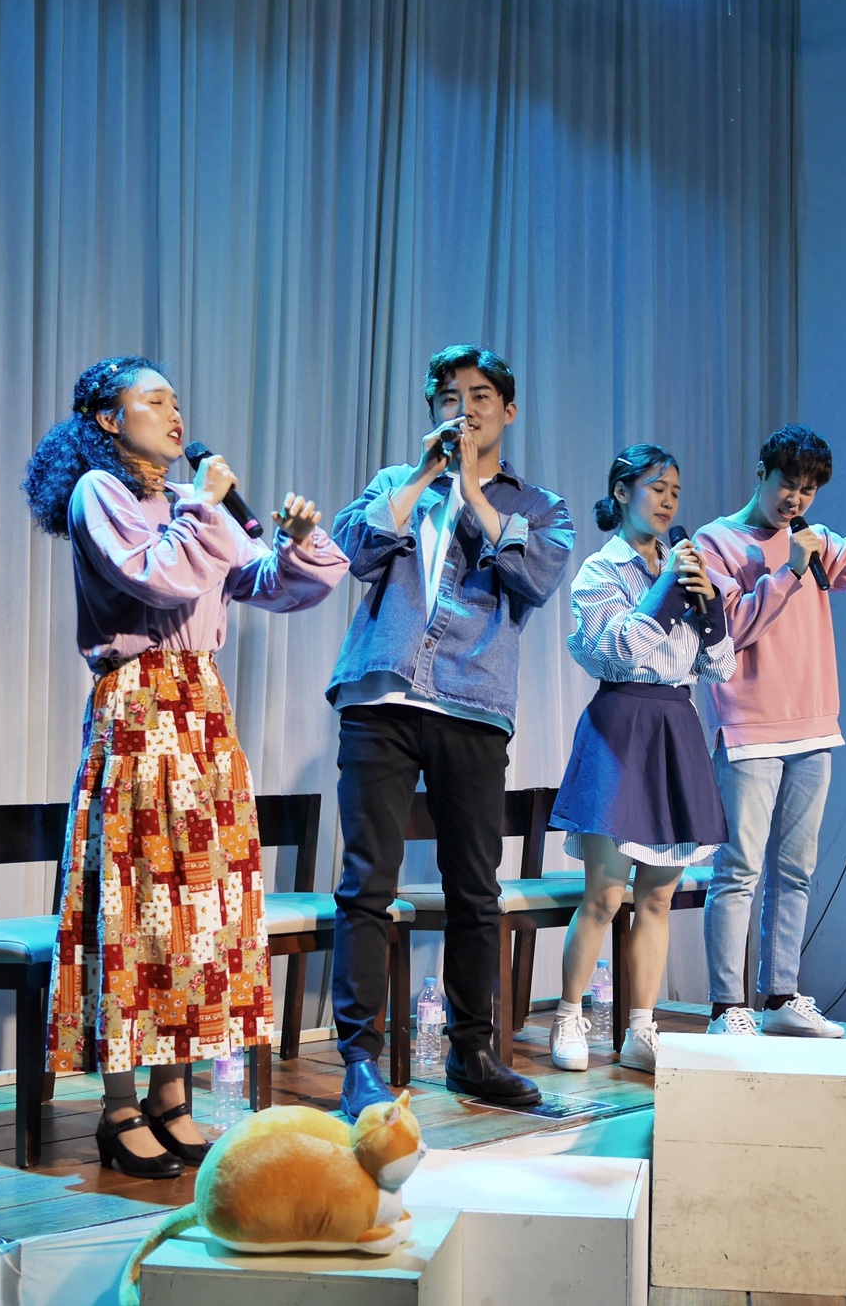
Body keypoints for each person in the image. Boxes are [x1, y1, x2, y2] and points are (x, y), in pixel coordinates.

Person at [23, 356, 348, 1178]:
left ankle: (174, 1097)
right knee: (138, 902)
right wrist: (204, 505)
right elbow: (159, 577)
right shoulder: (100, 493)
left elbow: (270, 584)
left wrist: (297, 543)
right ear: (109, 418)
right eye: (155, 400)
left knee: (195, 909)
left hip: (202, 710)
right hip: (140, 705)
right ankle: (119, 1108)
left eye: (177, 400)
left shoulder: (188, 505)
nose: (175, 414)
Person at [326, 344, 575, 1119]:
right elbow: (352, 551)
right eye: (447, 397)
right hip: (381, 695)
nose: (462, 409)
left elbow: (532, 577)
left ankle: (473, 1051)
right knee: (366, 882)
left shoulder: (541, 506)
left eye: (478, 395)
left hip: (472, 703)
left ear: (508, 410)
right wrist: (427, 476)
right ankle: (359, 1062)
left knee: (474, 888)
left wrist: (471, 488)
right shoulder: (396, 483)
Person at [696, 423, 846, 1038]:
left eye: (808, 490)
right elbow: (730, 627)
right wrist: (790, 573)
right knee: (738, 871)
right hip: (749, 729)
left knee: (794, 871)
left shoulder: (815, 541)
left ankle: (780, 997)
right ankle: (725, 1007)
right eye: (787, 485)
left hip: (814, 728)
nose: (795, 499)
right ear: (761, 473)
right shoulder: (716, 542)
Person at [549, 445, 734, 1075]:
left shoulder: (686, 570)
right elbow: (613, 651)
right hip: (622, 724)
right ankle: (569, 1016)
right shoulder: (601, 571)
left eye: (675, 492)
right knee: (604, 895)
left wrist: (711, 611)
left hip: (676, 726)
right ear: (622, 491)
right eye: (657, 488)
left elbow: (721, 668)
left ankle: (641, 1029)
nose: (668, 502)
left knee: (657, 899)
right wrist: (665, 590)